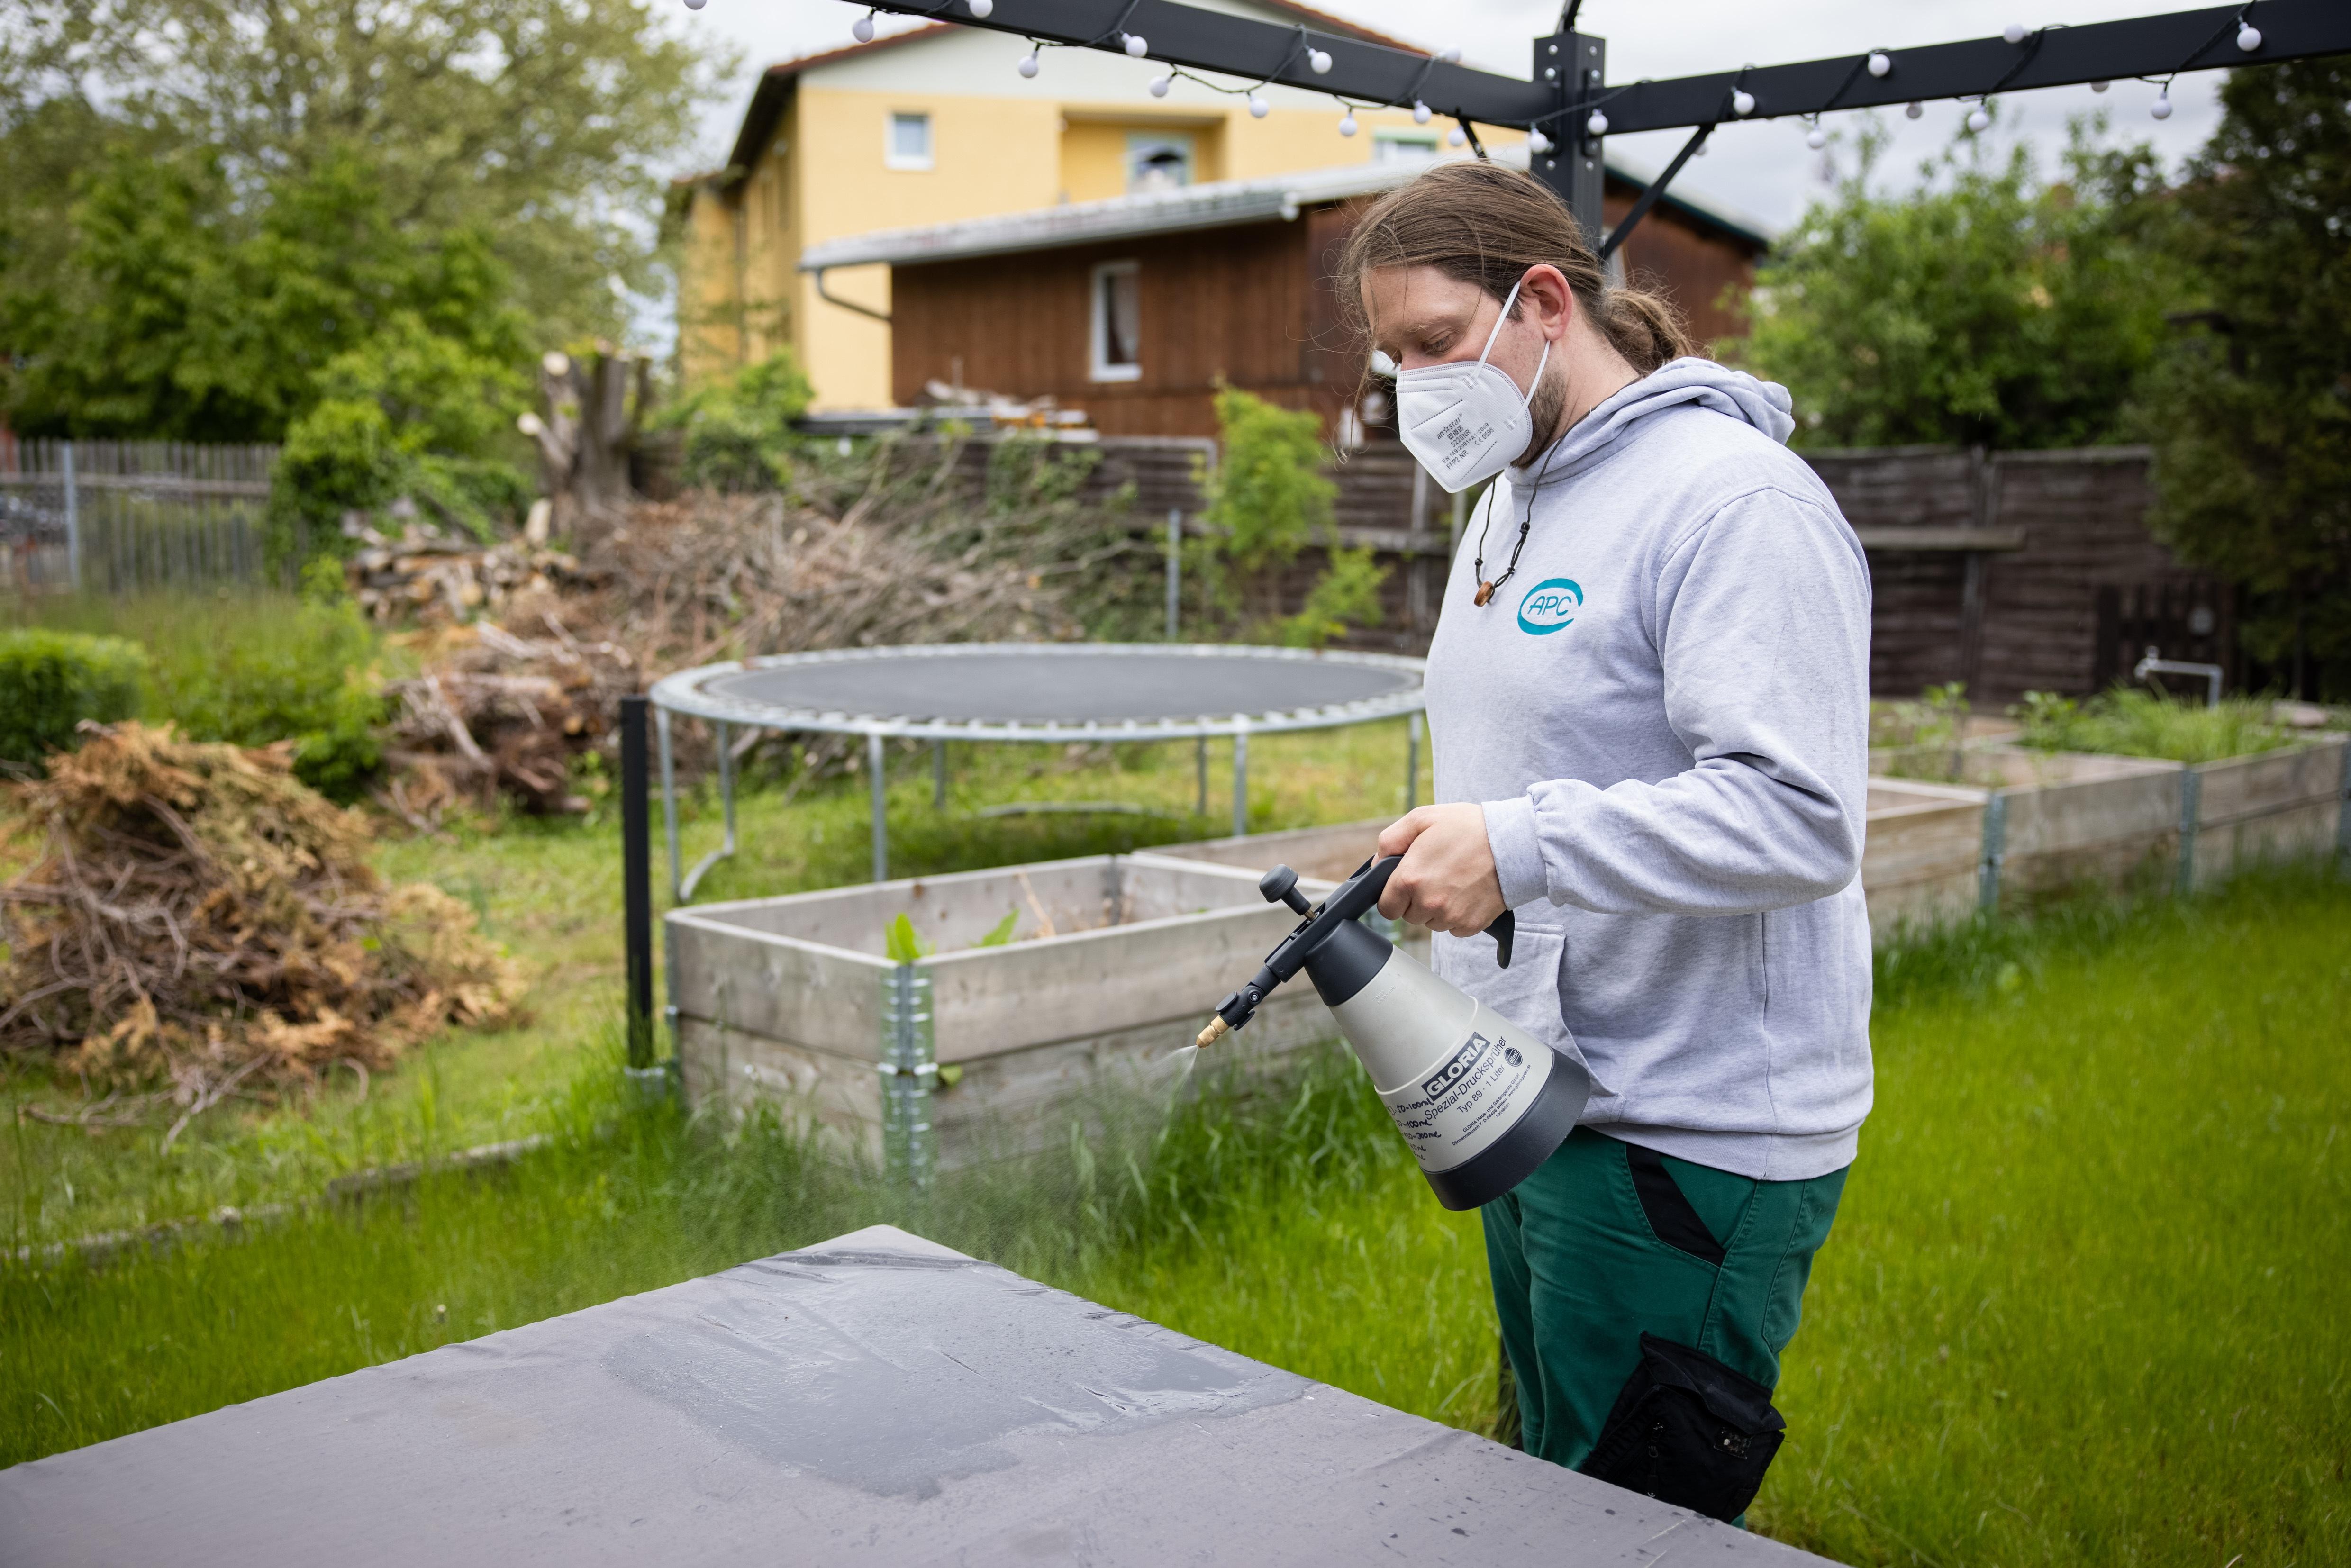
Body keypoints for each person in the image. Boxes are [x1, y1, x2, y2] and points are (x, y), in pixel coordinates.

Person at [1343, 160, 1873, 1520]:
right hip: (1531, 1100)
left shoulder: (1732, 501)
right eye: (1389, 356)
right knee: (1549, 1490)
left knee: (1631, 1524)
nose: (1411, 384)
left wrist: (1514, 847)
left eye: (1433, 343)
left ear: (1537, 301)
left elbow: (1798, 812)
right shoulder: (1510, 498)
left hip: (1685, 1123)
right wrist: (1450, 845)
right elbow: (1542, 758)